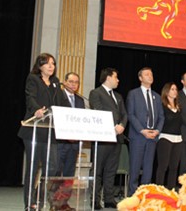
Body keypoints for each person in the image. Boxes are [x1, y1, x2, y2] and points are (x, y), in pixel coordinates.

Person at [17, 53, 70, 211]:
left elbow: (62, 103)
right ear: (40, 66)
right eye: (47, 63)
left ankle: (39, 197)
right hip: (34, 129)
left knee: (52, 168)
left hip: (50, 132)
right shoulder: (33, 79)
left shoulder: (55, 83)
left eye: (53, 63)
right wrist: (36, 110)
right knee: (33, 168)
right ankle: (29, 203)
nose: (51, 66)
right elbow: (30, 97)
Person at [88, 67, 128, 210]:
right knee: (98, 170)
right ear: (108, 77)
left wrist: (122, 125)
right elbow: (98, 111)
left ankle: (109, 199)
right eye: (116, 77)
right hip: (103, 137)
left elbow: (124, 114)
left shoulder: (118, 96)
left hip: (117, 137)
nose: (118, 80)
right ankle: (95, 200)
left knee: (111, 170)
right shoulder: (95, 93)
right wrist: (113, 127)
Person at [126, 67, 164, 196]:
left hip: (153, 137)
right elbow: (130, 115)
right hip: (138, 136)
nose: (150, 76)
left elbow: (161, 117)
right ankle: (132, 196)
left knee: (148, 169)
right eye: (147, 74)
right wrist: (142, 130)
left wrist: (157, 131)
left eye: (151, 74)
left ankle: (145, 196)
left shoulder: (157, 97)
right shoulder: (133, 94)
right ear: (140, 78)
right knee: (135, 169)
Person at [57, 72, 85, 177]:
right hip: (60, 142)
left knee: (69, 173)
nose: (74, 84)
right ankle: (51, 194)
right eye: (71, 82)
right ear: (65, 82)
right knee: (56, 170)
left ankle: (65, 194)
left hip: (74, 144)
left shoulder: (80, 100)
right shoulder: (58, 96)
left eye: (76, 82)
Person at [155, 82, 183, 189]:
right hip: (165, 137)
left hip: (178, 139)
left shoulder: (179, 106)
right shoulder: (162, 106)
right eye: (172, 89)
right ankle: (159, 190)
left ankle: (171, 190)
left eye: (176, 89)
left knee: (174, 167)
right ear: (166, 91)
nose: (175, 91)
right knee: (163, 166)